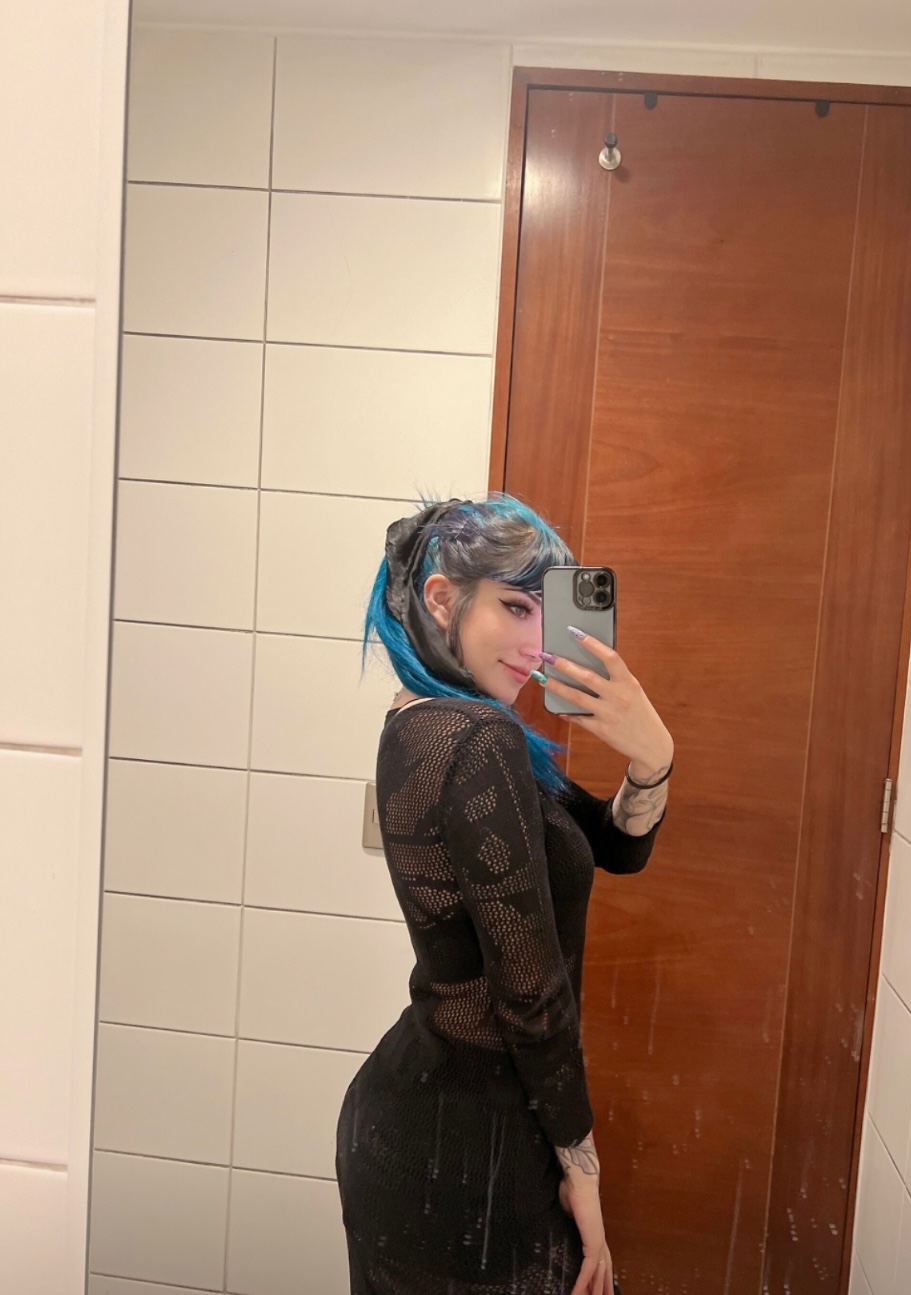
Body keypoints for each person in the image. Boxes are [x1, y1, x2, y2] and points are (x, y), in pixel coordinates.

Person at [336, 495, 673, 1295]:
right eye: (515, 607)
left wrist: (652, 758)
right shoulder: (477, 739)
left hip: (427, 1125)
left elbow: (613, 848)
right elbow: (530, 993)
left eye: (544, 612)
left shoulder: (426, 721)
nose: (535, 641)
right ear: (441, 598)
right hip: (465, 1152)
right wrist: (581, 1165)